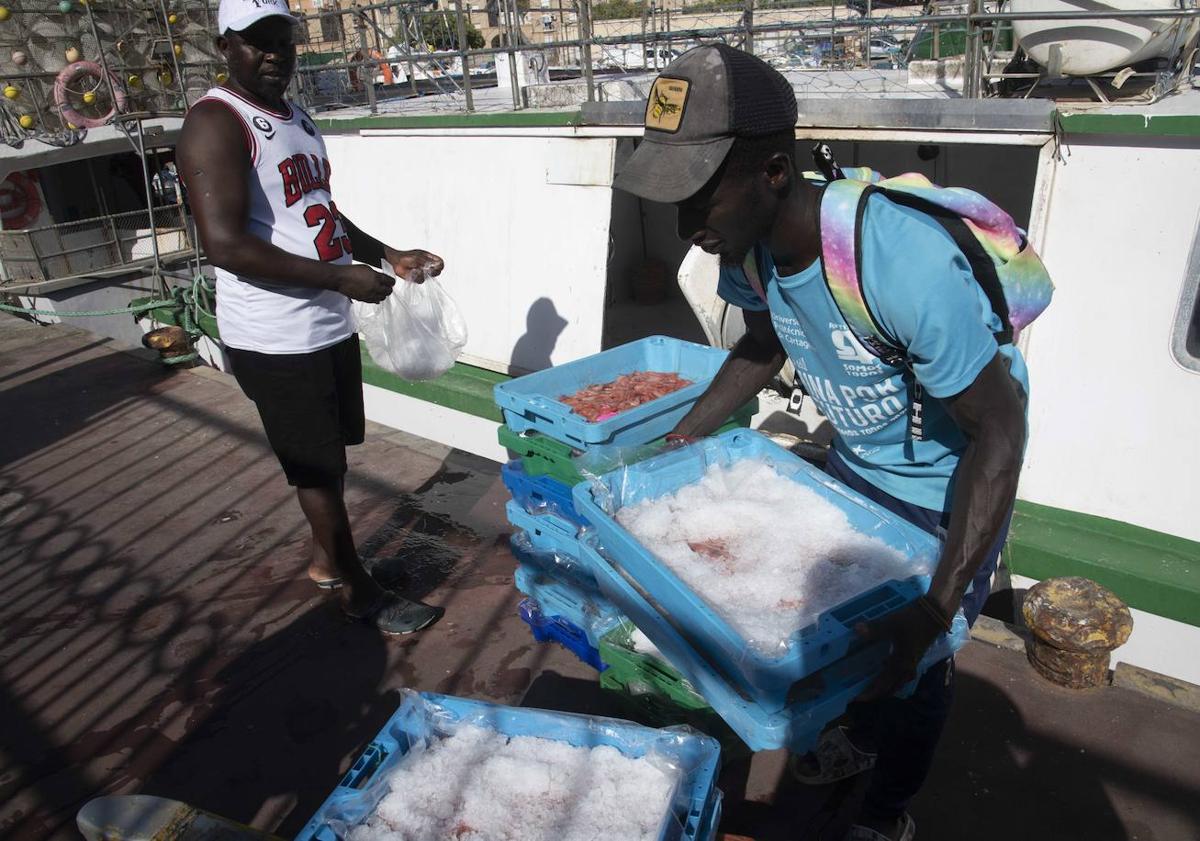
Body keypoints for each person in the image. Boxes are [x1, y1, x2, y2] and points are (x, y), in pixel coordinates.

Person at [614, 45, 1029, 841]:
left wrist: (938, 605)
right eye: (669, 199)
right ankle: (862, 733)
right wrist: (685, 432)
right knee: (850, 636)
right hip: (859, 464)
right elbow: (764, 344)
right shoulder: (751, 251)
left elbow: (999, 429)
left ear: (774, 172)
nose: (682, 226)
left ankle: (886, 812)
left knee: (916, 659)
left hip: (951, 479)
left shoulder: (896, 259)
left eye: (698, 195)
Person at [177, 0, 445, 636]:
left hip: (326, 323)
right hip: (274, 336)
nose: (275, 54)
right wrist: (342, 277)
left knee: (333, 457)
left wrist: (384, 254)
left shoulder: (294, 117)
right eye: (257, 41)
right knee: (316, 469)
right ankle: (356, 587)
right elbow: (226, 246)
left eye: (285, 41)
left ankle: (326, 561)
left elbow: (316, 209)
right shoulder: (215, 123)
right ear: (225, 47)